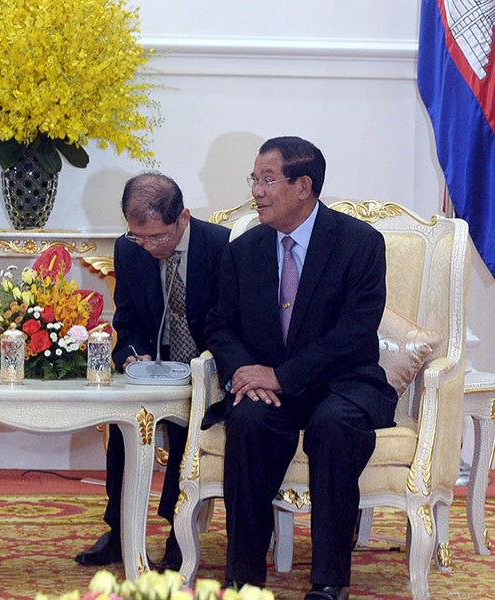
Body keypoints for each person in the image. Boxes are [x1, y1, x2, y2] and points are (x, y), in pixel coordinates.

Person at [203, 137, 397, 600]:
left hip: (343, 384)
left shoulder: (360, 244)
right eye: (255, 179)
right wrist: (245, 371)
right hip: (270, 389)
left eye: (268, 180)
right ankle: (244, 577)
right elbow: (218, 324)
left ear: (304, 186)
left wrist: (281, 375)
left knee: (333, 428)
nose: (257, 191)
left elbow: (354, 333)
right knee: (248, 421)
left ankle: (330, 582)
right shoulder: (243, 249)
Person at [74, 172, 229, 572]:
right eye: (138, 237)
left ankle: (178, 532)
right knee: (126, 421)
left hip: (208, 368)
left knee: (183, 429)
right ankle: (119, 527)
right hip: (152, 366)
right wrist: (131, 357)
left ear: (183, 218)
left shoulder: (222, 246)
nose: (148, 246)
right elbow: (126, 322)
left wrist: (203, 368)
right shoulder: (129, 250)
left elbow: (234, 325)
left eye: (157, 237)